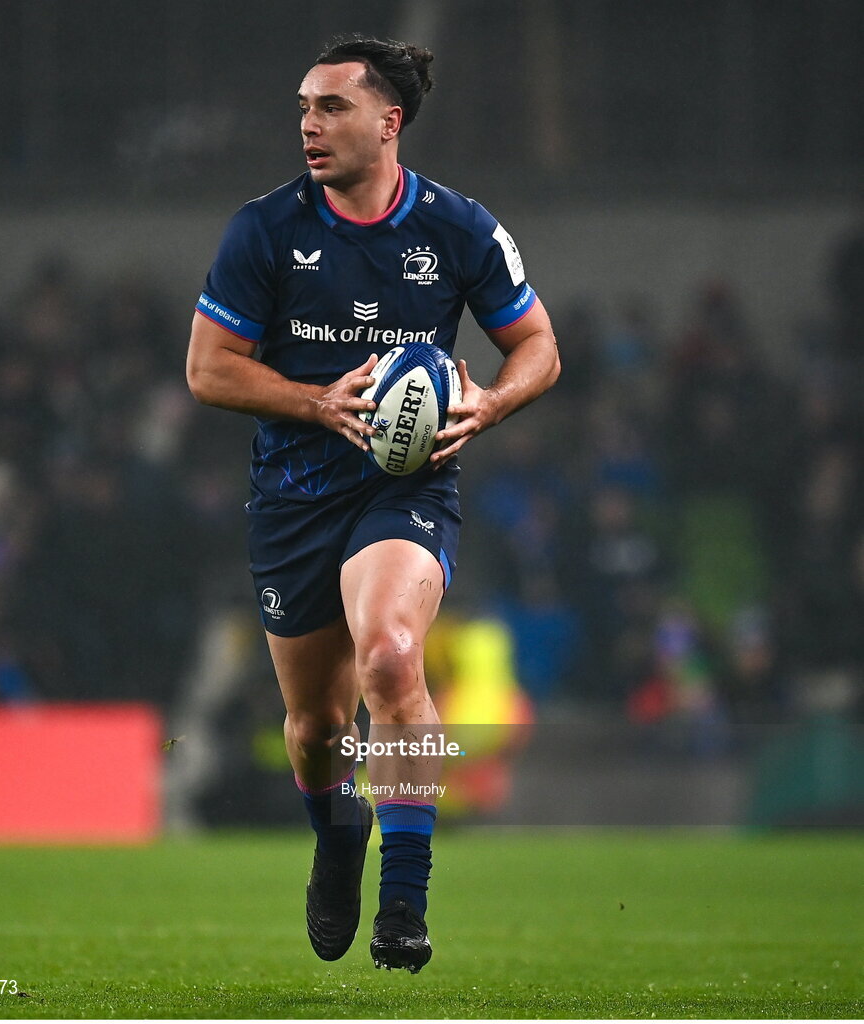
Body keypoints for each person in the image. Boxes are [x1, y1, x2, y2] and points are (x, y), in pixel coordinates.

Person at [186, 34, 560, 974]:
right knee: (315, 728)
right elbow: (207, 369)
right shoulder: (264, 229)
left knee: (394, 656)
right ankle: (337, 836)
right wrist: (316, 402)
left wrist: (489, 402)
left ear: (389, 121)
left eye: (332, 107)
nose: (309, 125)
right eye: (304, 108)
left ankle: (404, 905)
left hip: (406, 483)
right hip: (293, 495)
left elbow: (539, 345)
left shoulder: (460, 229)